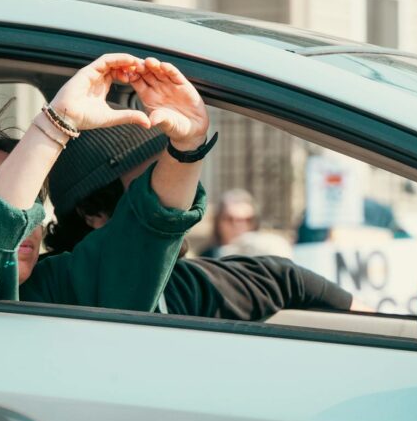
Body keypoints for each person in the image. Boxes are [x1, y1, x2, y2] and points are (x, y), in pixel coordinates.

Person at [0, 53, 210, 313]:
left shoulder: (54, 286)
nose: (22, 220)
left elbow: (144, 236)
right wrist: (56, 123)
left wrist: (187, 145)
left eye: (30, 199)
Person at [46, 124, 357, 320]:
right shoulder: (55, 296)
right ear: (93, 213)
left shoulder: (179, 285)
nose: (183, 199)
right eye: (155, 185)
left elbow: (284, 280)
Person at [201, 189, 260, 258]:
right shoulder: (206, 257)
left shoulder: (263, 256)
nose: (238, 225)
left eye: (247, 220)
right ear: (218, 222)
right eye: (230, 219)